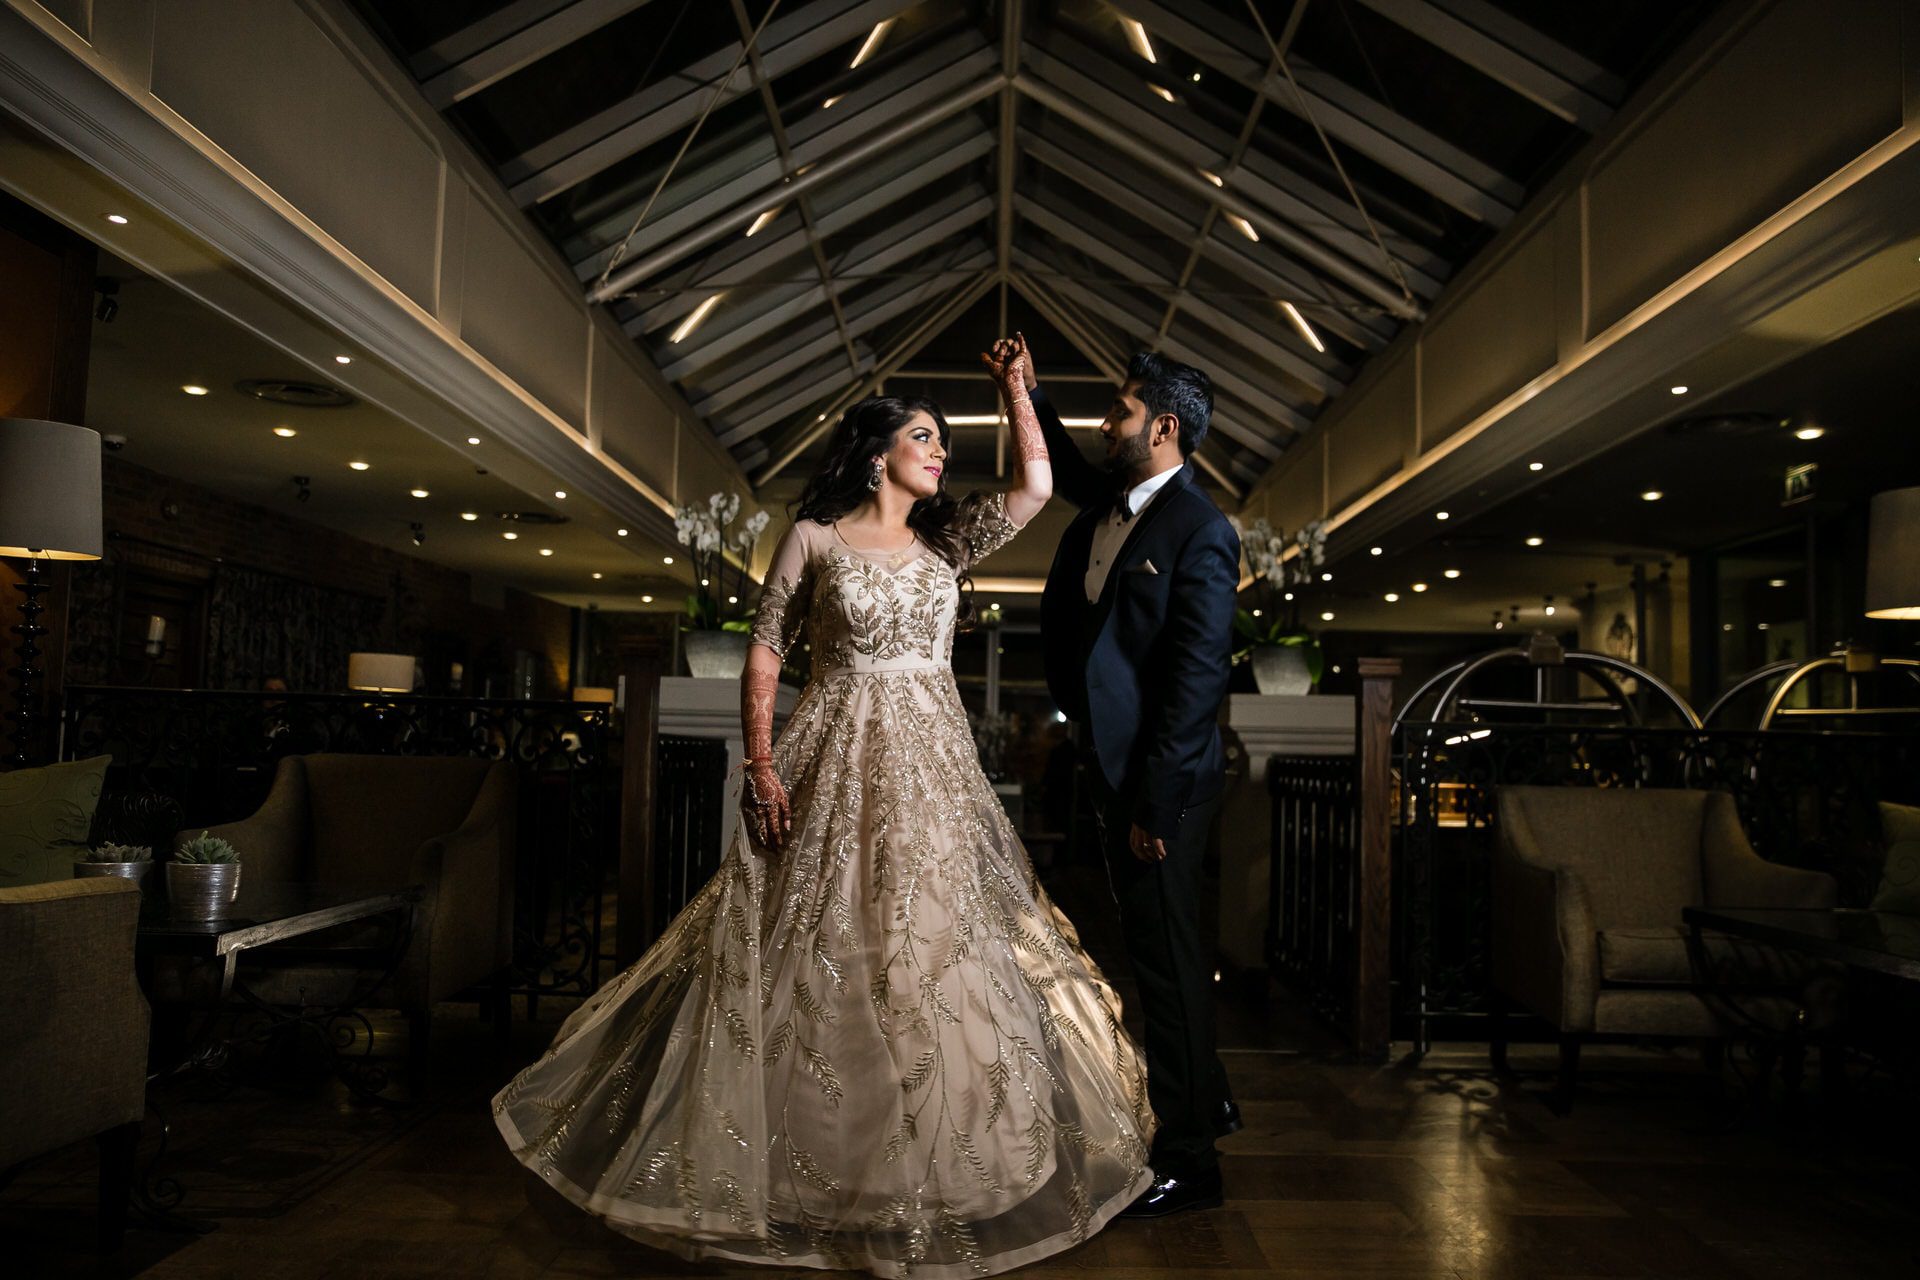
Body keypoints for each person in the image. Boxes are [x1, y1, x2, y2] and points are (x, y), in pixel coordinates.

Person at [493, 344, 1155, 1277]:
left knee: (929, 937)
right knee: (826, 936)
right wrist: (761, 766)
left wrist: (1015, 391)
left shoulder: (947, 544)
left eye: (942, 441)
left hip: (930, 766)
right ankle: (805, 1171)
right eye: (923, 437)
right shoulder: (813, 538)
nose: (937, 453)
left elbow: (1038, 484)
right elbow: (765, 655)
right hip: (834, 754)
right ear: (879, 449)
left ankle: (948, 1173)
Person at [1011, 335, 1242, 1217]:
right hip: (1118, 775)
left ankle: (1192, 1160)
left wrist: (1157, 805)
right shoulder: (1121, 497)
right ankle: (1208, 1097)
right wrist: (1024, 393)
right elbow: (1066, 464)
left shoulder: (1203, 530)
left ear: (1166, 427)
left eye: (1123, 411)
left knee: (1171, 965)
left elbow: (1194, 684)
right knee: (1158, 953)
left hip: (1164, 786)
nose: (1110, 423)